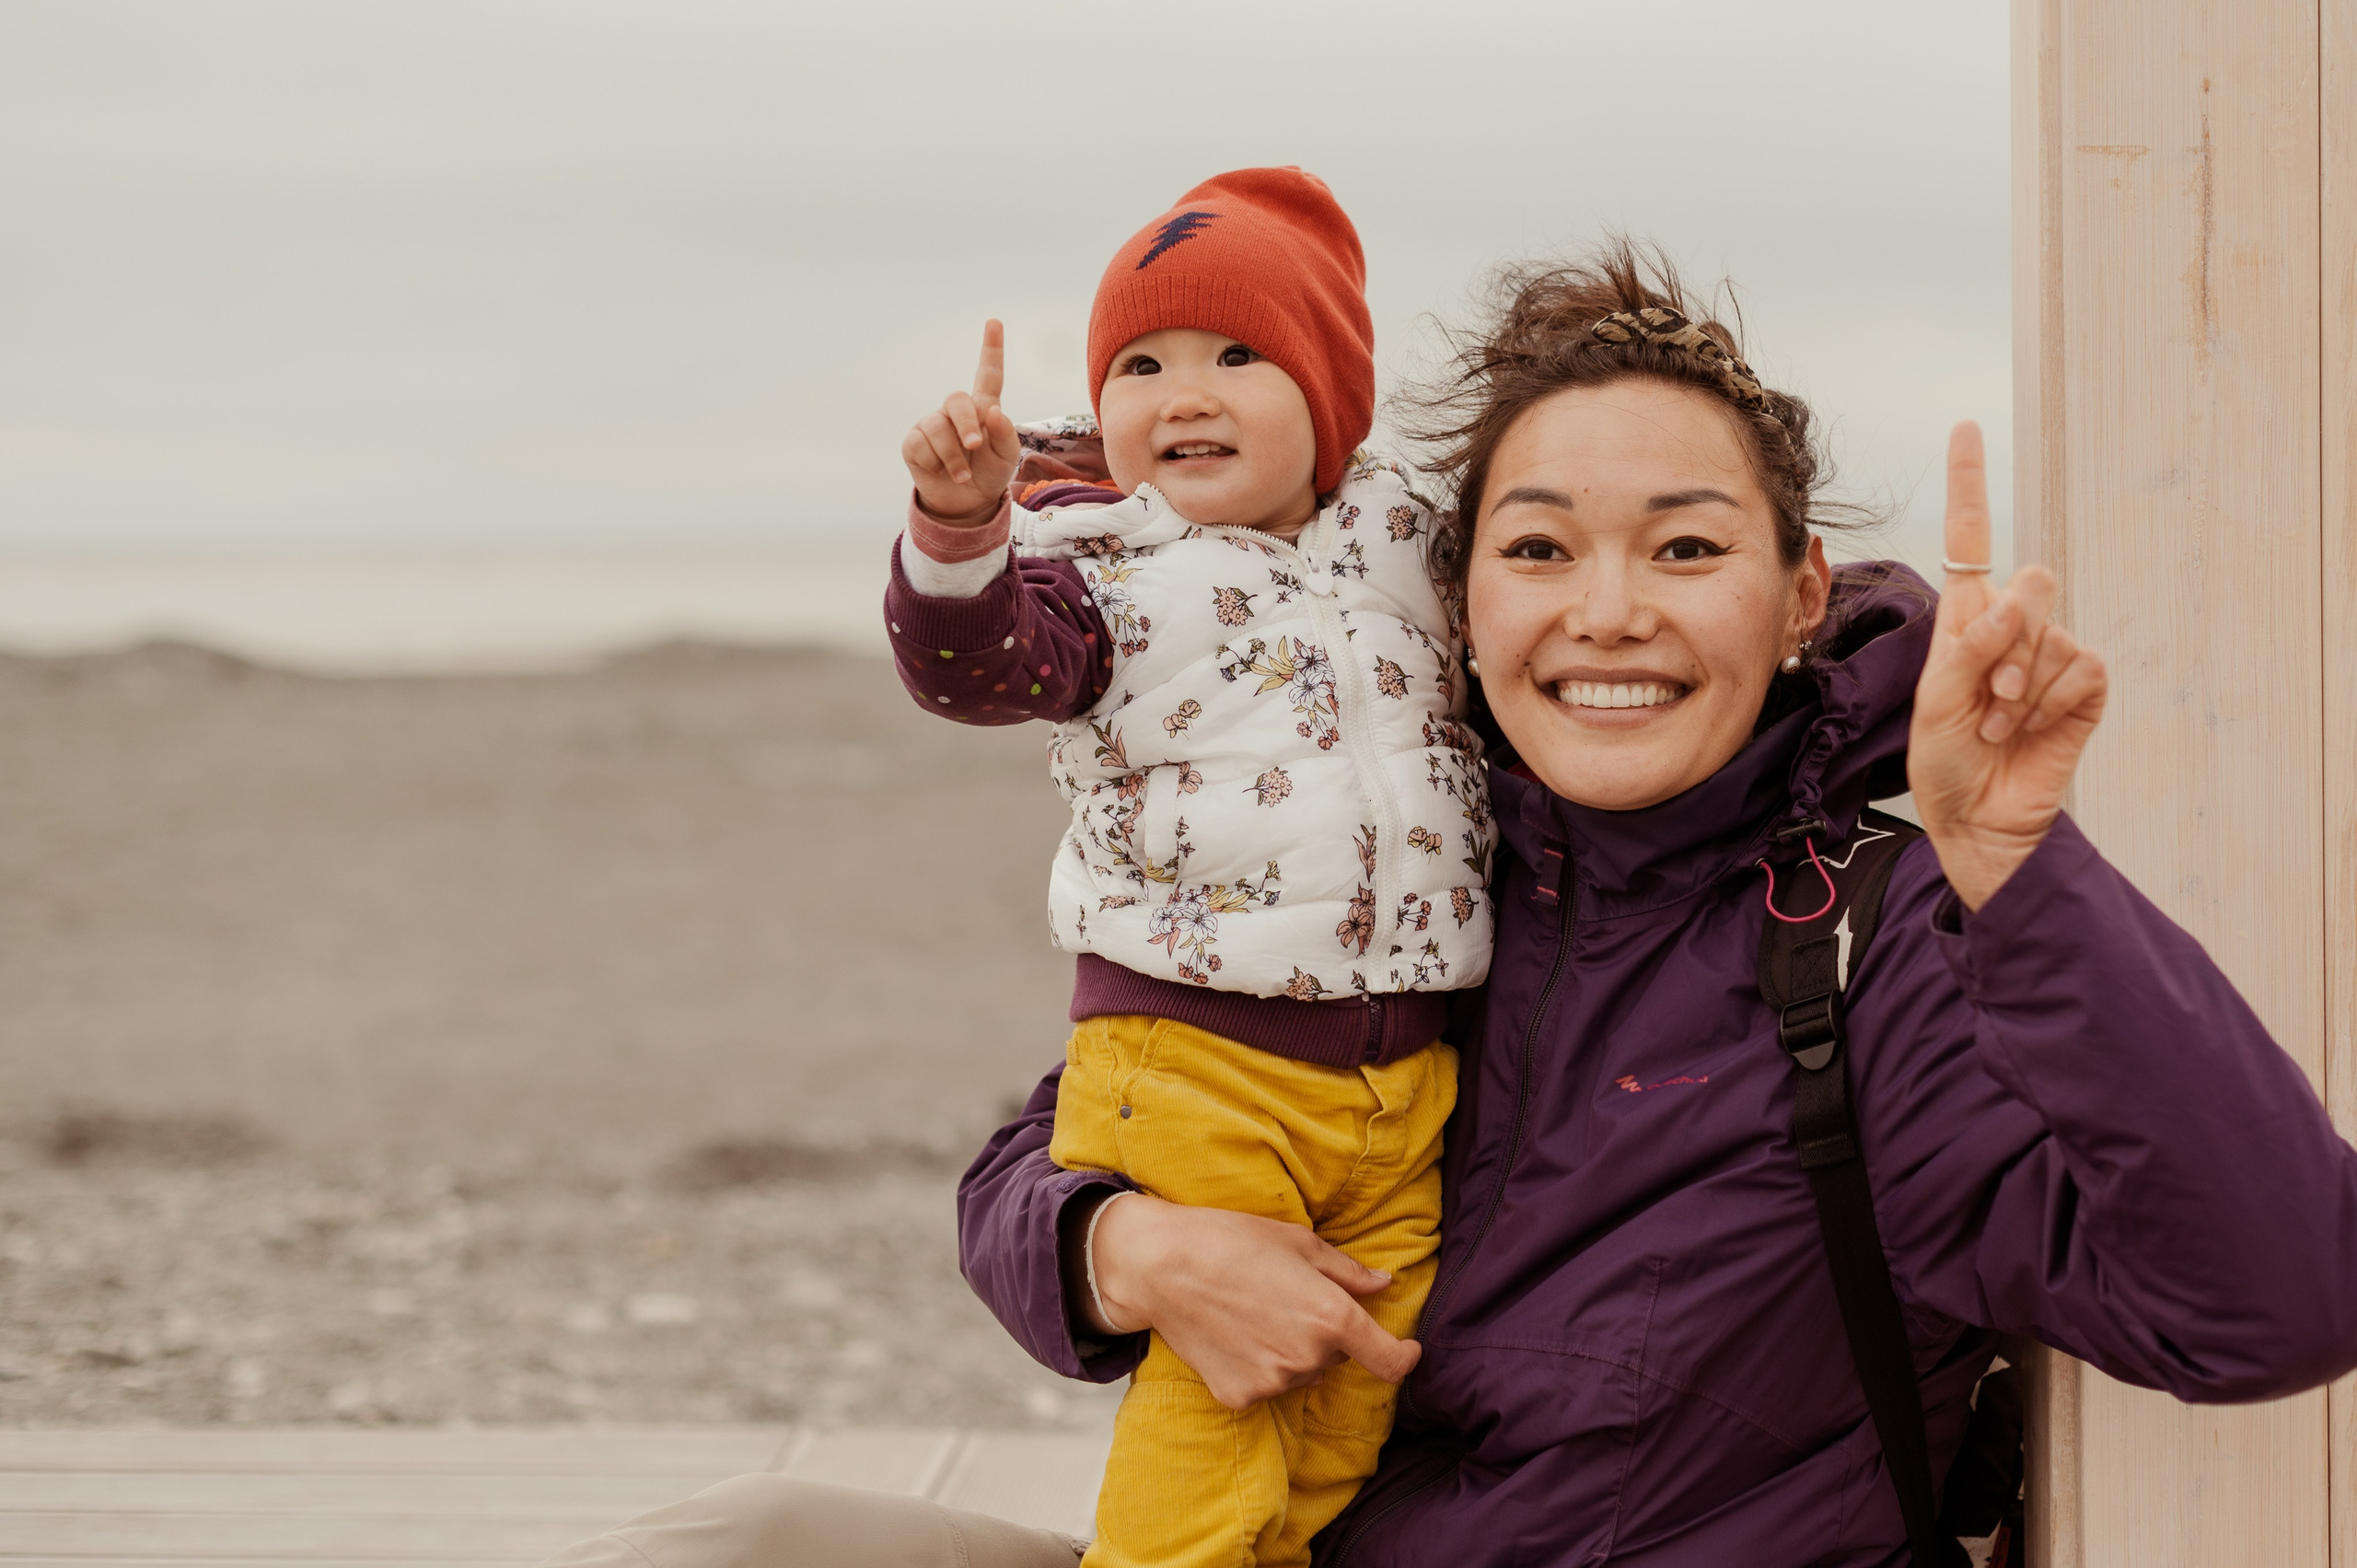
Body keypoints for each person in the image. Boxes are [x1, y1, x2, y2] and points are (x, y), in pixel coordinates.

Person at [543, 245, 2357, 1568]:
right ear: (1458, 599)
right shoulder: (1400, 876)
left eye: (1687, 546)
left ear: (1799, 595)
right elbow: (1032, 1160)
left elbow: (2273, 1301)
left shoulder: (1867, 951)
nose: (1607, 610)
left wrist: (2016, 852)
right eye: (1540, 546)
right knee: (733, 1544)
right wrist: (1130, 1250)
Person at [897, 166, 1490, 1568]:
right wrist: (963, 528)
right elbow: (975, 670)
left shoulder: (1410, 541)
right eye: (1142, 365)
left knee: (1353, 1390)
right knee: (1225, 1409)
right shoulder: (1102, 571)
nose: (1186, 393)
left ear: (1333, 401)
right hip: (1199, 1057)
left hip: (1403, 1076)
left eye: (1240, 357)